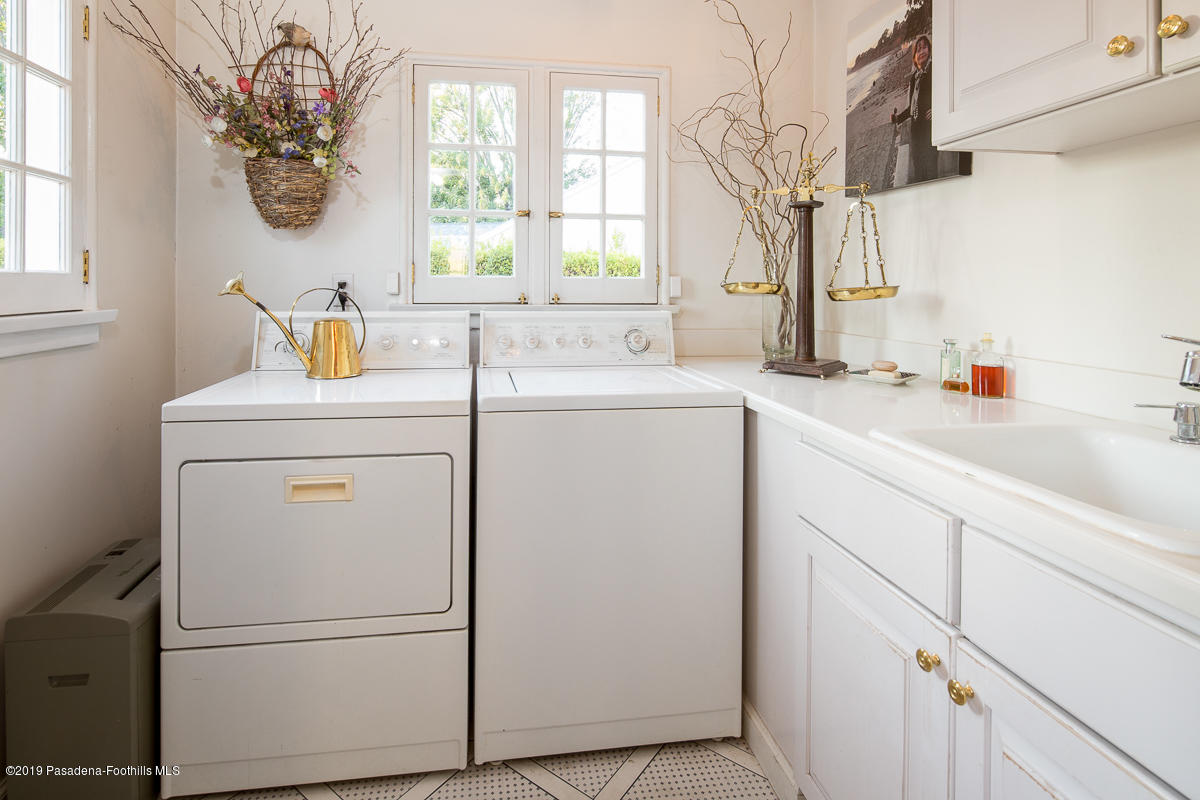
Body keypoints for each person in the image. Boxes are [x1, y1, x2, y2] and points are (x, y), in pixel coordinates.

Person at [890, 34, 937, 184]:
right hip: (916, 132)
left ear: (929, 51)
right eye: (918, 49)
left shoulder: (934, 70)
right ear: (915, 57)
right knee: (919, 173)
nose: (921, 51)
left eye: (925, 47)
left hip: (930, 130)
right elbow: (912, 106)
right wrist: (898, 118)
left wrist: (938, 109)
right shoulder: (914, 77)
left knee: (930, 172)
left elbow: (947, 92)